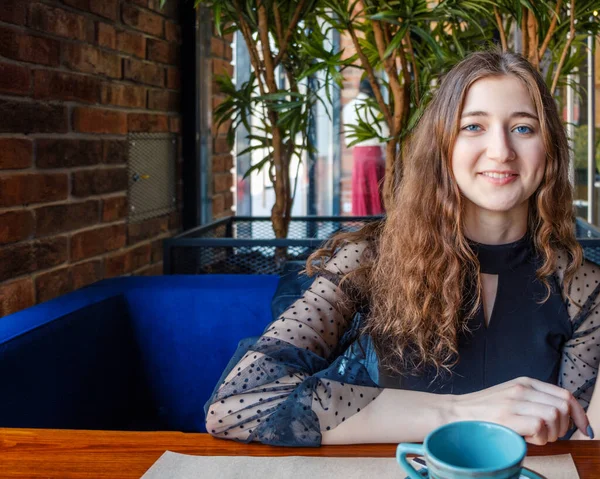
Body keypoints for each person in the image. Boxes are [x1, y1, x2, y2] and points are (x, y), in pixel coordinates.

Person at [205, 50, 600, 447]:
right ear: (442, 145)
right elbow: (238, 404)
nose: (500, 151)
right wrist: (462, 413)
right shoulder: (370, 259)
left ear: (549, 148)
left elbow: (579, 440)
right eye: (473, 126)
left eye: (523, 129)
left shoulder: (580, 285)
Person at [343, 78, 389, 216]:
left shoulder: (348, 107)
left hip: (357, 153)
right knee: (376, 188)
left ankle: (361, 222)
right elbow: (385, 133)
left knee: (361, 188)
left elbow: (348, 136)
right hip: (373, 152)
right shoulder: (374, 107)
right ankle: (376, 221)